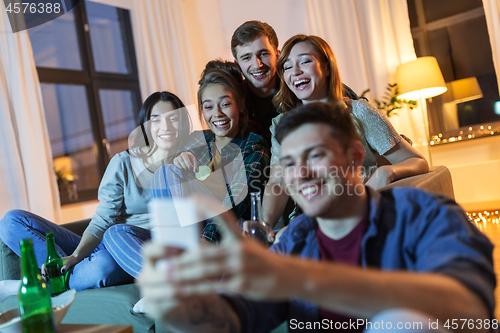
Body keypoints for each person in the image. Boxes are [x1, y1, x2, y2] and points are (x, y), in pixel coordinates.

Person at [137, 102, 495, 333]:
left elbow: (471, 312)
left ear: (356, 156)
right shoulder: (295, 241)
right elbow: (231, 320)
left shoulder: (423, 215)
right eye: (290, 163)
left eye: (315, 155)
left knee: (401, 324)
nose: (301, 173)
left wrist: (296, 278)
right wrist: (179, 307)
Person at [0, 91, 191, 290]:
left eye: (173, 118)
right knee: (10, 222)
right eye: (156, 120)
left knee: (102, 266)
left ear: (183, 123)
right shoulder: (123, 163)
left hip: (132, 252)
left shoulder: (191, 161)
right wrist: (74, 257)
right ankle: (60, 272)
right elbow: (103, 220)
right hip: (107, 242)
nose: (165, 127)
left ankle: (43, 284)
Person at [263, 34, 429, 229]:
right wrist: (263, 226)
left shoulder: (359, 112)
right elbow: (277, 183)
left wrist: (386, 172)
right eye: (288, 66)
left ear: (326, 67)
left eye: (305, 61)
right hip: (308, 221)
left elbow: (418, 161)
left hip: (357, 213)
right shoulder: (282, 125)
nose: (296, 72)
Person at [151, 60, 270, 244]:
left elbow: (235, 202)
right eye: (208, 107)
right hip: (194, 231)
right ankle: (179, 257)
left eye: (225, 104)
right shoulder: (197, 140)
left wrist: (205, 241)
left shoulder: (254, 148)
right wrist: (181, 160)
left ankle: (186, 259)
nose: (217, 114)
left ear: (240, 104)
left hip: (231, 232)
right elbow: (176, 194)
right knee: (116, 232)